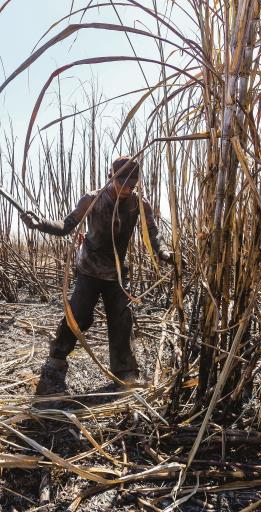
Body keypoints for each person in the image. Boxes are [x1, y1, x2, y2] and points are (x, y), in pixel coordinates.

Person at [20, 156, 174, 395]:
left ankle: (125, 374)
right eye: (123, 180)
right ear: (111, 176)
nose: (127, 187)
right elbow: (66, 225)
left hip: (117, 275)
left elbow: (153, 234)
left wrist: (164, 253)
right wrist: (40, 224)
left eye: (133, 182)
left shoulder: (140, 204)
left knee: (122, 321)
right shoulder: (92, 199)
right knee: (78, 316)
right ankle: (56, 361)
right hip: (89, 270)